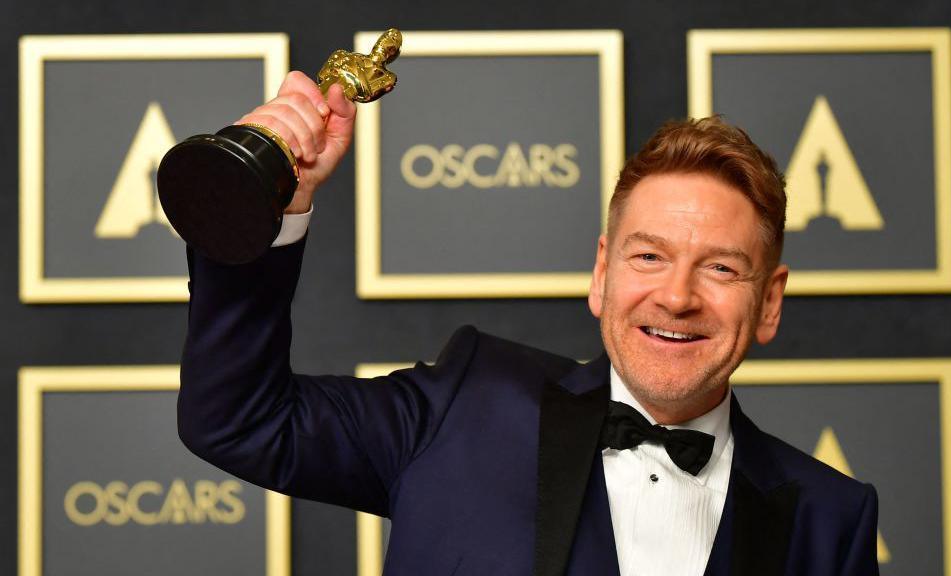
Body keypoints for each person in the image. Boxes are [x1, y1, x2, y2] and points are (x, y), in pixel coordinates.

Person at [177, 71, 879, 576]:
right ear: (602, 275)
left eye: (722, 269)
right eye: (648, 256)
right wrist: (264, 197)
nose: (676, 296)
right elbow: (238, 418)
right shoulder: (465, 405)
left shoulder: (830, 520)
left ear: (771, 301)